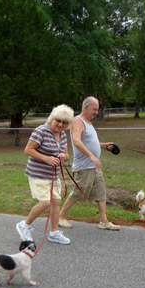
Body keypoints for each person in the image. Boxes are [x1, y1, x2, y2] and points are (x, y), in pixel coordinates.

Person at [58, 96, 120, 230]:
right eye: (95, 109)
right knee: (79, 192)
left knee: (100, 191)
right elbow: (76, 141)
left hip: (94, 167)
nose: (97, 112)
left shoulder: (89, 123)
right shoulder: (77, 121)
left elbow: (90, 142)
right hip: (84, 167)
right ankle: (60, 216)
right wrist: (92, 156)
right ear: (86, 107)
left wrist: (103, 145)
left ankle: (104, 221)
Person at [16, 104, 74, 245]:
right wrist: (46, 158)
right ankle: (24, 225)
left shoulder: (62, 135)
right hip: (38, 173)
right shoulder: (40, 131)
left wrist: (63, 157)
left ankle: (54, 233)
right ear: (52, 118)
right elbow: (28, 150)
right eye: (58, 120)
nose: (60, 124)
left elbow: (67, 155)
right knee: (45, 202)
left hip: (53, 175)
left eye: (64, 122)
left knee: (56, 202)